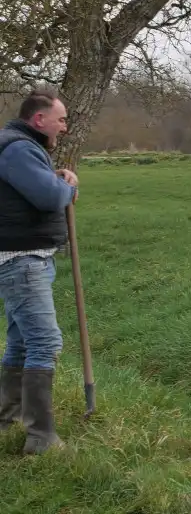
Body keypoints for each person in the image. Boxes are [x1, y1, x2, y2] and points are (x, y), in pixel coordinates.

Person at [0, 89, 78, 455]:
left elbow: (36, 187)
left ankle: (5, 416)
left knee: (20, 342)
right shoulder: (17, 148)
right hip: (22, 259)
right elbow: (48, 197)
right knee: (44, 342)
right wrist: (65, 185)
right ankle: (41, 438)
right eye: (60, 120)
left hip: (24, 258)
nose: (63, 127)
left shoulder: (22, 147)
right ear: (39, 120)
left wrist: (53, 176)